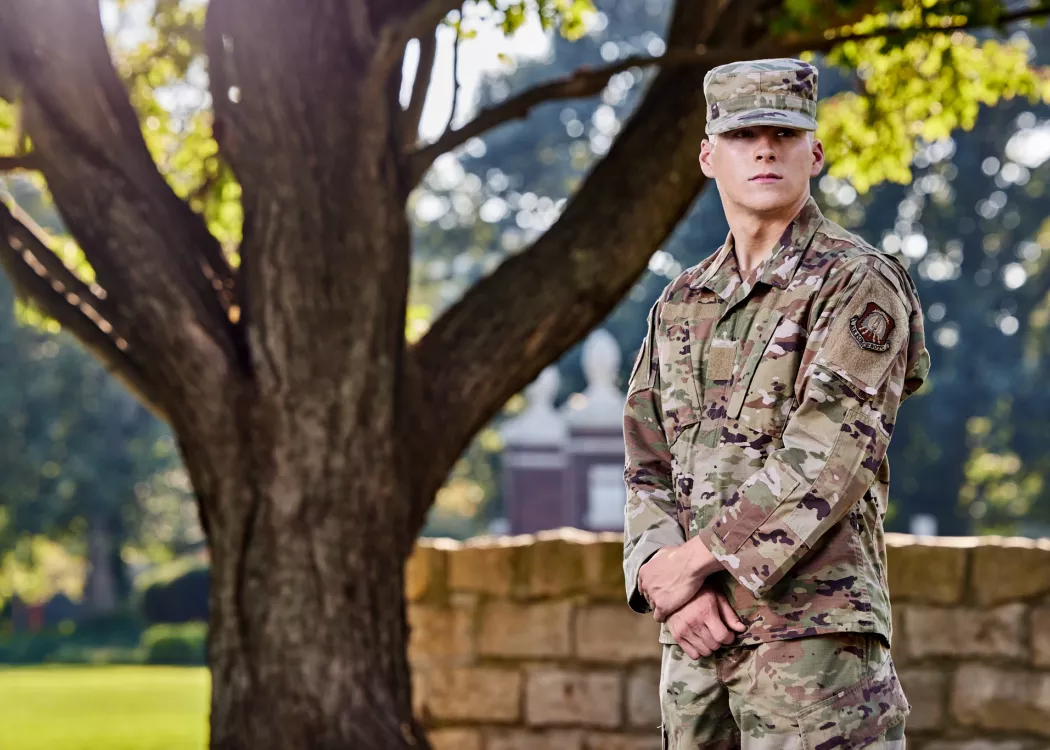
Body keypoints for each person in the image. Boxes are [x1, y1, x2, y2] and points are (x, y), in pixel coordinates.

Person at [622, 58, 931, 750]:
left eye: (784, 133)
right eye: (742, 135)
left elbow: (829, 454)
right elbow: (647, 462)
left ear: (814, 152)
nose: (764, 148)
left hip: (814, 651)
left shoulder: (857, 284)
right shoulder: (681, 303)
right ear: (708, 156)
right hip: (697, 644)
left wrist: (695, 560)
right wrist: (665, 580)